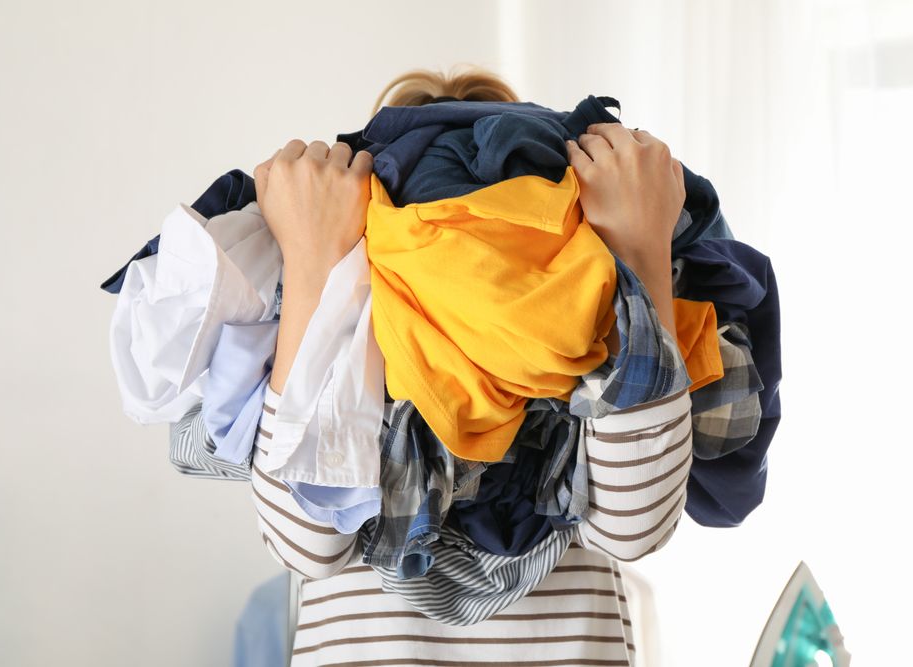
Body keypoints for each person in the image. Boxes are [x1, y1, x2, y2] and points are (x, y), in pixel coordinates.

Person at [248, 66, 690, 667]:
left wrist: (634, 248)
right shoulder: (348, 316)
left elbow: (636, 526)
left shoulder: (585, 304)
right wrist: (312, 265)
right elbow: (306, 544)